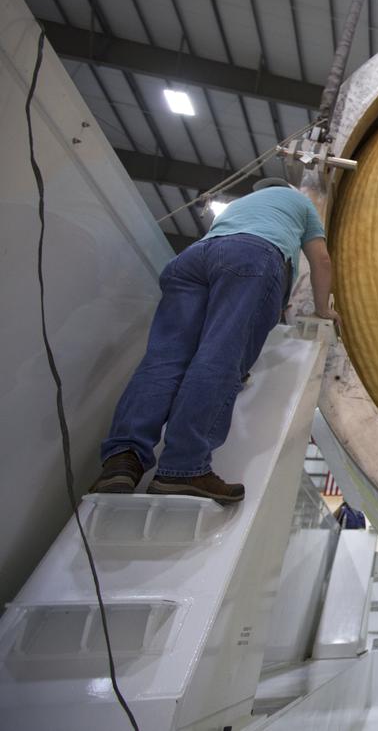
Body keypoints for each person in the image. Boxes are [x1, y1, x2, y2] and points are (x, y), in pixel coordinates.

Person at [89, 177, 339, 504]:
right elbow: (321, 260)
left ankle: (123, 459)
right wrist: (323, 309)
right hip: (253, 258)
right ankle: (183, 468)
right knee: (219, 357)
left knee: (163, 361)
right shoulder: (302, 203)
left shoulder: (238, 206)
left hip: (193, 260)